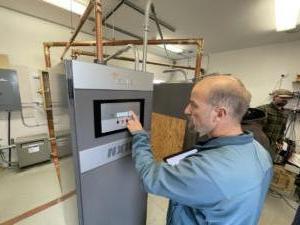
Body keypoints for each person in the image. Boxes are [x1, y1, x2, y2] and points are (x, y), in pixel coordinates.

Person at [127, 75, 273, 225]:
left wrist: (140, 135)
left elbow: (149, 177)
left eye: (194, 105)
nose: (186, 110)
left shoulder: (207, 170)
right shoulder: (260, 152)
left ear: (219, 114)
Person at [257, 89, 293, 161]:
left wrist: (280, 141)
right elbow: (255, 129)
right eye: (282, 97)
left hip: (273, 146)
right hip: (259, 145)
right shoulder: (262, 109)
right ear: (274, 97)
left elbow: (282, 129)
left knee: (267, 164)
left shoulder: (285, 113)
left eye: (287, 98)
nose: (285, 100)